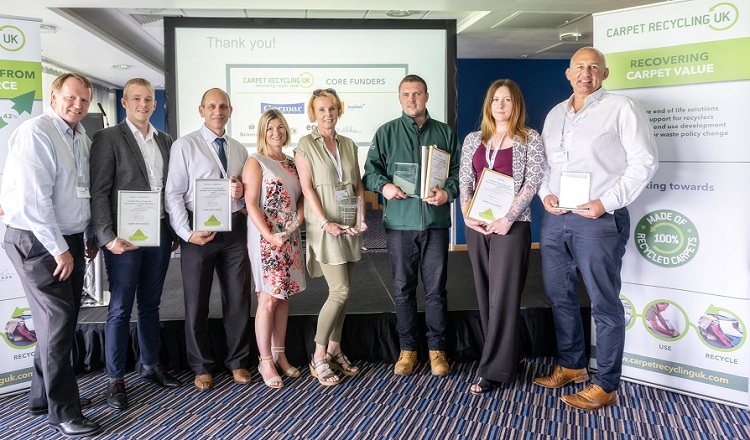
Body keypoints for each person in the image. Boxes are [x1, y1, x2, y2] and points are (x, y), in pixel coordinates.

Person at [533, 47, 658, 410]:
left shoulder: (622, 108)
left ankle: (606, 383)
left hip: (599, 218)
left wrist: (607, 202)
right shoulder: (557, 113)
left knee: (603, 302)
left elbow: (644, 161)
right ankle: (572, 366)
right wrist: (545, 194)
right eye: (579, 67)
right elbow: (544, 166)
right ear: (568, 74)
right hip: (557, 217)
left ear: (604, 74)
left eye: (593, 67)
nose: (585, 73)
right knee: (560, 295)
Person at [1, 73, 100, 436]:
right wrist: (59, 249)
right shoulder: (36, 132)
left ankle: (43, 397)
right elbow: (36, 199)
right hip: (38, 241)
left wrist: (86, 234)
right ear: (54, 96)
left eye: (84, 101)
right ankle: (63, 413)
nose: (78, 105)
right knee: (57, 323)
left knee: (58, 324)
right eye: (72, 98)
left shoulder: (80, 136)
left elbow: (81, 190)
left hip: (67, 238)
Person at [90, 78, 181, 410]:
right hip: (123, 239)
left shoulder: (166, 141)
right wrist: (107, 237)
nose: (143, 104)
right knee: (119, 308)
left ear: (154, 105)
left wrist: (173, 231)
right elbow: (99, 192)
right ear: (125, 103)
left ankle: (151, 365)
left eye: (148, 100)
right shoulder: (108, 138)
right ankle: (115, 379)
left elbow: (171, 189)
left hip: (158, 233)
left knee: (151, 304)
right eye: (136, 99)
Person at [363, 74, 460, 377]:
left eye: (417, 94)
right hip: (399, 225)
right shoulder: (386, 132)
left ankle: (437, 351)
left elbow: (459, 173)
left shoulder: (444, 133)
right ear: (399, 97)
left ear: (427, 97)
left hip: (434, 224)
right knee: (403, 289)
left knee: (435, 291)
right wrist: (385, 187)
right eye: (406, 94)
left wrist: (448, 192)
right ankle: (408, 350)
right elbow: (370, 172)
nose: (411, 100)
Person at [458, 79, 545, 394]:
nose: (501, 105)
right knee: (485, 294)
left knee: (503, 297)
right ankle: (514, 352)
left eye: (507, 100)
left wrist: (508, 218)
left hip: (512, 225)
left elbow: (533, 181)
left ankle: (493, 368)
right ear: (489, 104)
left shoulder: (529, 138)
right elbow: (465, 179)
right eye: (496, 99)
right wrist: (467, 214)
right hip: (478, 226)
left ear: (516, 104)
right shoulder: (473, 139)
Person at [165, 88, 253, 390]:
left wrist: (241, 193)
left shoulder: (239, 148)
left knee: (239, 299)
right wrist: (187, 233)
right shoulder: (184, 146)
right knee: (196, 300)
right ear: (201, 110)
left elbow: (243, 191)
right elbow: (173, 194)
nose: (218, 111)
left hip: (235, 228)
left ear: (230, 111)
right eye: (212, 106)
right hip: (198, 230)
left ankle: (238, 361)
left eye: (224, 106)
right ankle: (201, 365)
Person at [294, 89, 367, 386]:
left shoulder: (349, 144)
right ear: (314, 114)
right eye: (322, 110)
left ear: (339, 112)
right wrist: (325, 223)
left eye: (332, 109)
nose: (328, 114)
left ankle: (336, 348)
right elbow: (307, 188)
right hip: (325, 228)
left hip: (350, 226)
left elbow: (358, 184)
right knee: (339, 291)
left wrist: (361, 215)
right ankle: (318, 355)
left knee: (345, 292)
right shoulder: (304, 145)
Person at [243, 109, 306, 389]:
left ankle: (280, 356)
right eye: (270, 128)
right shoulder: (255, 161)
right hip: (265, 238)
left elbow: (303, 195)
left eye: (280, 127)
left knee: (283, 297)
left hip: (290, 236)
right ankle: (265, 360)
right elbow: (251, 203)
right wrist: (270, 235)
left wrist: (301, 216)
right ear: (262, 132)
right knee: (268, 298)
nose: (276, 133)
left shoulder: (293, 162)